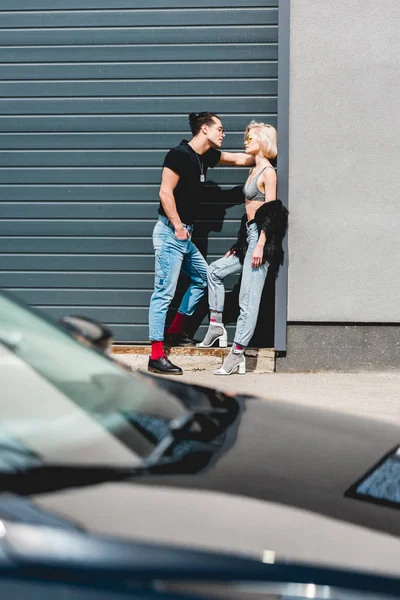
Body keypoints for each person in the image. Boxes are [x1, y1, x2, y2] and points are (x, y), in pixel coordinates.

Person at [148, 112, 255, 376]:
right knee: (163, 293)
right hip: (171, 233)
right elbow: (165, 192)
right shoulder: (178, 155)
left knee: (203, 278)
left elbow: (241, 159)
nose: (223, 133)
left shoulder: (204, 156)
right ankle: (156, 355)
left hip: (184, 235)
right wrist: (177, 226)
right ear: (205, 129)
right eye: (219, 128)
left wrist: (265, 156)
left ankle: (175, 332)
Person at [197, 121, 288, 375]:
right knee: (214, 271)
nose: (246, 142)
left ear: (263, 142)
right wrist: (241, 245)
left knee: (247, 300)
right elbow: (231, 159)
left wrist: (260, 245)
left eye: (250, 139)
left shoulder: (268, 172)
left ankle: (236, 354)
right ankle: (216, 326)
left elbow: (271, 214)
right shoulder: (253, 166)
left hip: (260, 241)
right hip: (247, 240)